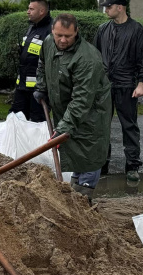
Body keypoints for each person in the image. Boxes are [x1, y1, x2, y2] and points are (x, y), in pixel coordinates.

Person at [35, 13, 112, 202]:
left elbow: (82, 100)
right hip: (67, 110)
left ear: (76, 32)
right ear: (52, 30)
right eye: (58, 35)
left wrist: (62, 128)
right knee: (74, 151)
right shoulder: (48, 43)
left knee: (88, 153)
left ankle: (83, 198)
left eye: (68, 36)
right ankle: (75, 193)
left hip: (91, 114)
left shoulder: (87, 58)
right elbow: (42, 64)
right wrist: (42, 87)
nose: (62, 40)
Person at [94, 0, 143, 184]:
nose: (106, 10)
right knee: (101, 126)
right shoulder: (103, 29)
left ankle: (132, 166)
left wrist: (141, 83)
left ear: (120, 7)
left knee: (129, 127)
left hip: (127, 85)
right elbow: (94, 57)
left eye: (109, 7)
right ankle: (102, 164)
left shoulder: (137, 30)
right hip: (104, 86)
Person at [9, 0, 52, 121]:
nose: (28, 11)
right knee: (15, 119)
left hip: (38, 90)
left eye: (31, 9)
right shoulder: (32, 27)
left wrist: (43, 89)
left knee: (36, 124)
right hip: (22, 88)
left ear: (42, 11)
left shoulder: (51, 30)